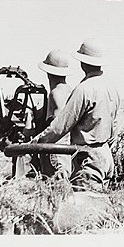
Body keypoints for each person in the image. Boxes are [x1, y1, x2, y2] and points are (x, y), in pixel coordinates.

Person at [31, 38, 121, 191]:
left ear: (83, 63)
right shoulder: (111, 88)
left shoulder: (84, 89)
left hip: (88, 158)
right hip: (105, 156)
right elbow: (114, 128)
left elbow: (61, 126)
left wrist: (37, 142)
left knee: (85, 208)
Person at [36, 49, 73, 179]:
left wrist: (37, 140)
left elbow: (57, 124)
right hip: (65, 150)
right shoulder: (69, 91)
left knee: (54, 185)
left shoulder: (55, 93)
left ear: (48, 73)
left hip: (55, 151)